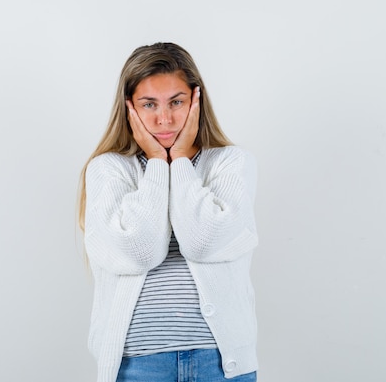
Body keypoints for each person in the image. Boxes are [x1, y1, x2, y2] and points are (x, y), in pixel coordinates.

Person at [77, 42, 259, 382]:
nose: (165, 118)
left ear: (196, 101)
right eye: (149, 104)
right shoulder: (109, 170)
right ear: (129, 108)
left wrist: (182, 163)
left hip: (220, 365)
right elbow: (141, 251)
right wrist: (159, 163)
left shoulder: (231, 164)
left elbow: (202, 242)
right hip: (137, 367)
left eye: (177, 102)